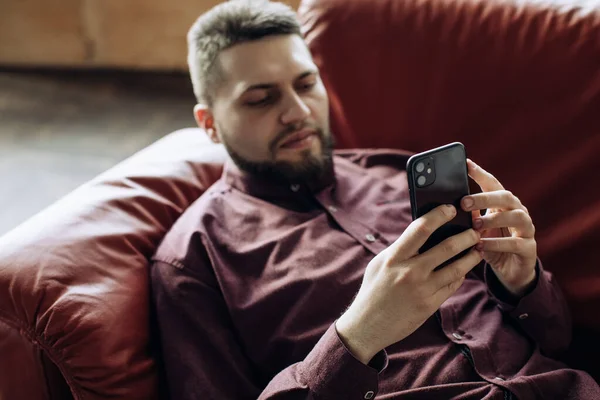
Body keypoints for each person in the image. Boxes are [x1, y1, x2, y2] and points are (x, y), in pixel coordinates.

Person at [150, 1, 600, 399]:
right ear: (209, 124)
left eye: (306, 84)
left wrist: (522, 284)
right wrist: (358, 336)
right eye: (261, 99)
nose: (299, 112)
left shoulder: (391, 171)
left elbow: (557, 336)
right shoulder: (194, 261)